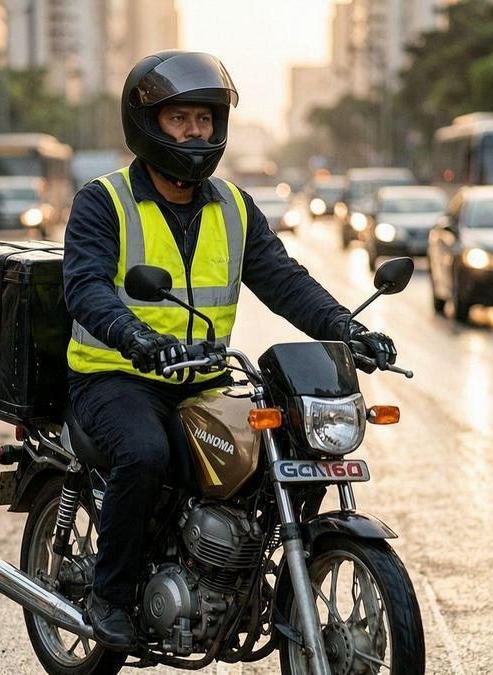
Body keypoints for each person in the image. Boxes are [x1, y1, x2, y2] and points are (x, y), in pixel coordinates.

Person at [62, 50, 398, 650]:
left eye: (205, 119)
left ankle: (242, 577)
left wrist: (346, 328)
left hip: (203, 381)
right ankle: (111, 596)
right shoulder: (104, 201)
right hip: (115, 377)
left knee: (285, 450)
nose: (195, 132)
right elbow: (85, 286)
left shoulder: (234, 207)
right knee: (144, 452)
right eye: (179, 118)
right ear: (148, 123)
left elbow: (283, 280)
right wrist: (136, 337)